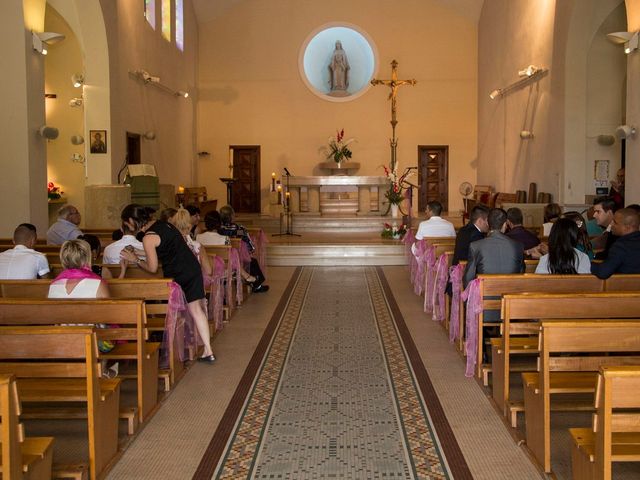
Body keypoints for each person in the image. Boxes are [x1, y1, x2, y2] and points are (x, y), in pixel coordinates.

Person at [118, 204, 216, 363]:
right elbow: (165, 248)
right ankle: (208, 350)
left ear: (131, 220)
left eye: (126, 223)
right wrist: (139, 253)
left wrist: (135, 260)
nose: (126, 226)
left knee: (175, 313)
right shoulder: (164, 225)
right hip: (192, 268)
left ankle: (176, 350)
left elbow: (152, 267)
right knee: (197, 310)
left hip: (178, 274)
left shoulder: (148, 237)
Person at [48, 239, 116, 364]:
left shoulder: (54, 285)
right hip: (91, 342)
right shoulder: (98, 283)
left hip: (61, 341)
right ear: (87, 258)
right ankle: (102, 370)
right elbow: (109, 316)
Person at [463, 208, 524, 288]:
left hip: (485, 297)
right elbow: (521, 273)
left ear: (488, 223)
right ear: (505, 224)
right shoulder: (518, 246)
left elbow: (468, 279)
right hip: (510, 296)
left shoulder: (475, 246)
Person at [219, 204, 269, 293]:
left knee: (252, 262)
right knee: (252, 262)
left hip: (221, 257)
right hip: (237, 256)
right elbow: (247, 239)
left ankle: (253, 282)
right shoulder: (239, 229)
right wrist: (251, 249)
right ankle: (257, 284)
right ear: (231, 216)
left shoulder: (219, 229)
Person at [591, 208, 640, 279]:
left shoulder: (621, 246)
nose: (611, 224)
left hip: (626, 288)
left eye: (615, 222)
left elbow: (603, 272)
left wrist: (587, 264)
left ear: (627, 228)